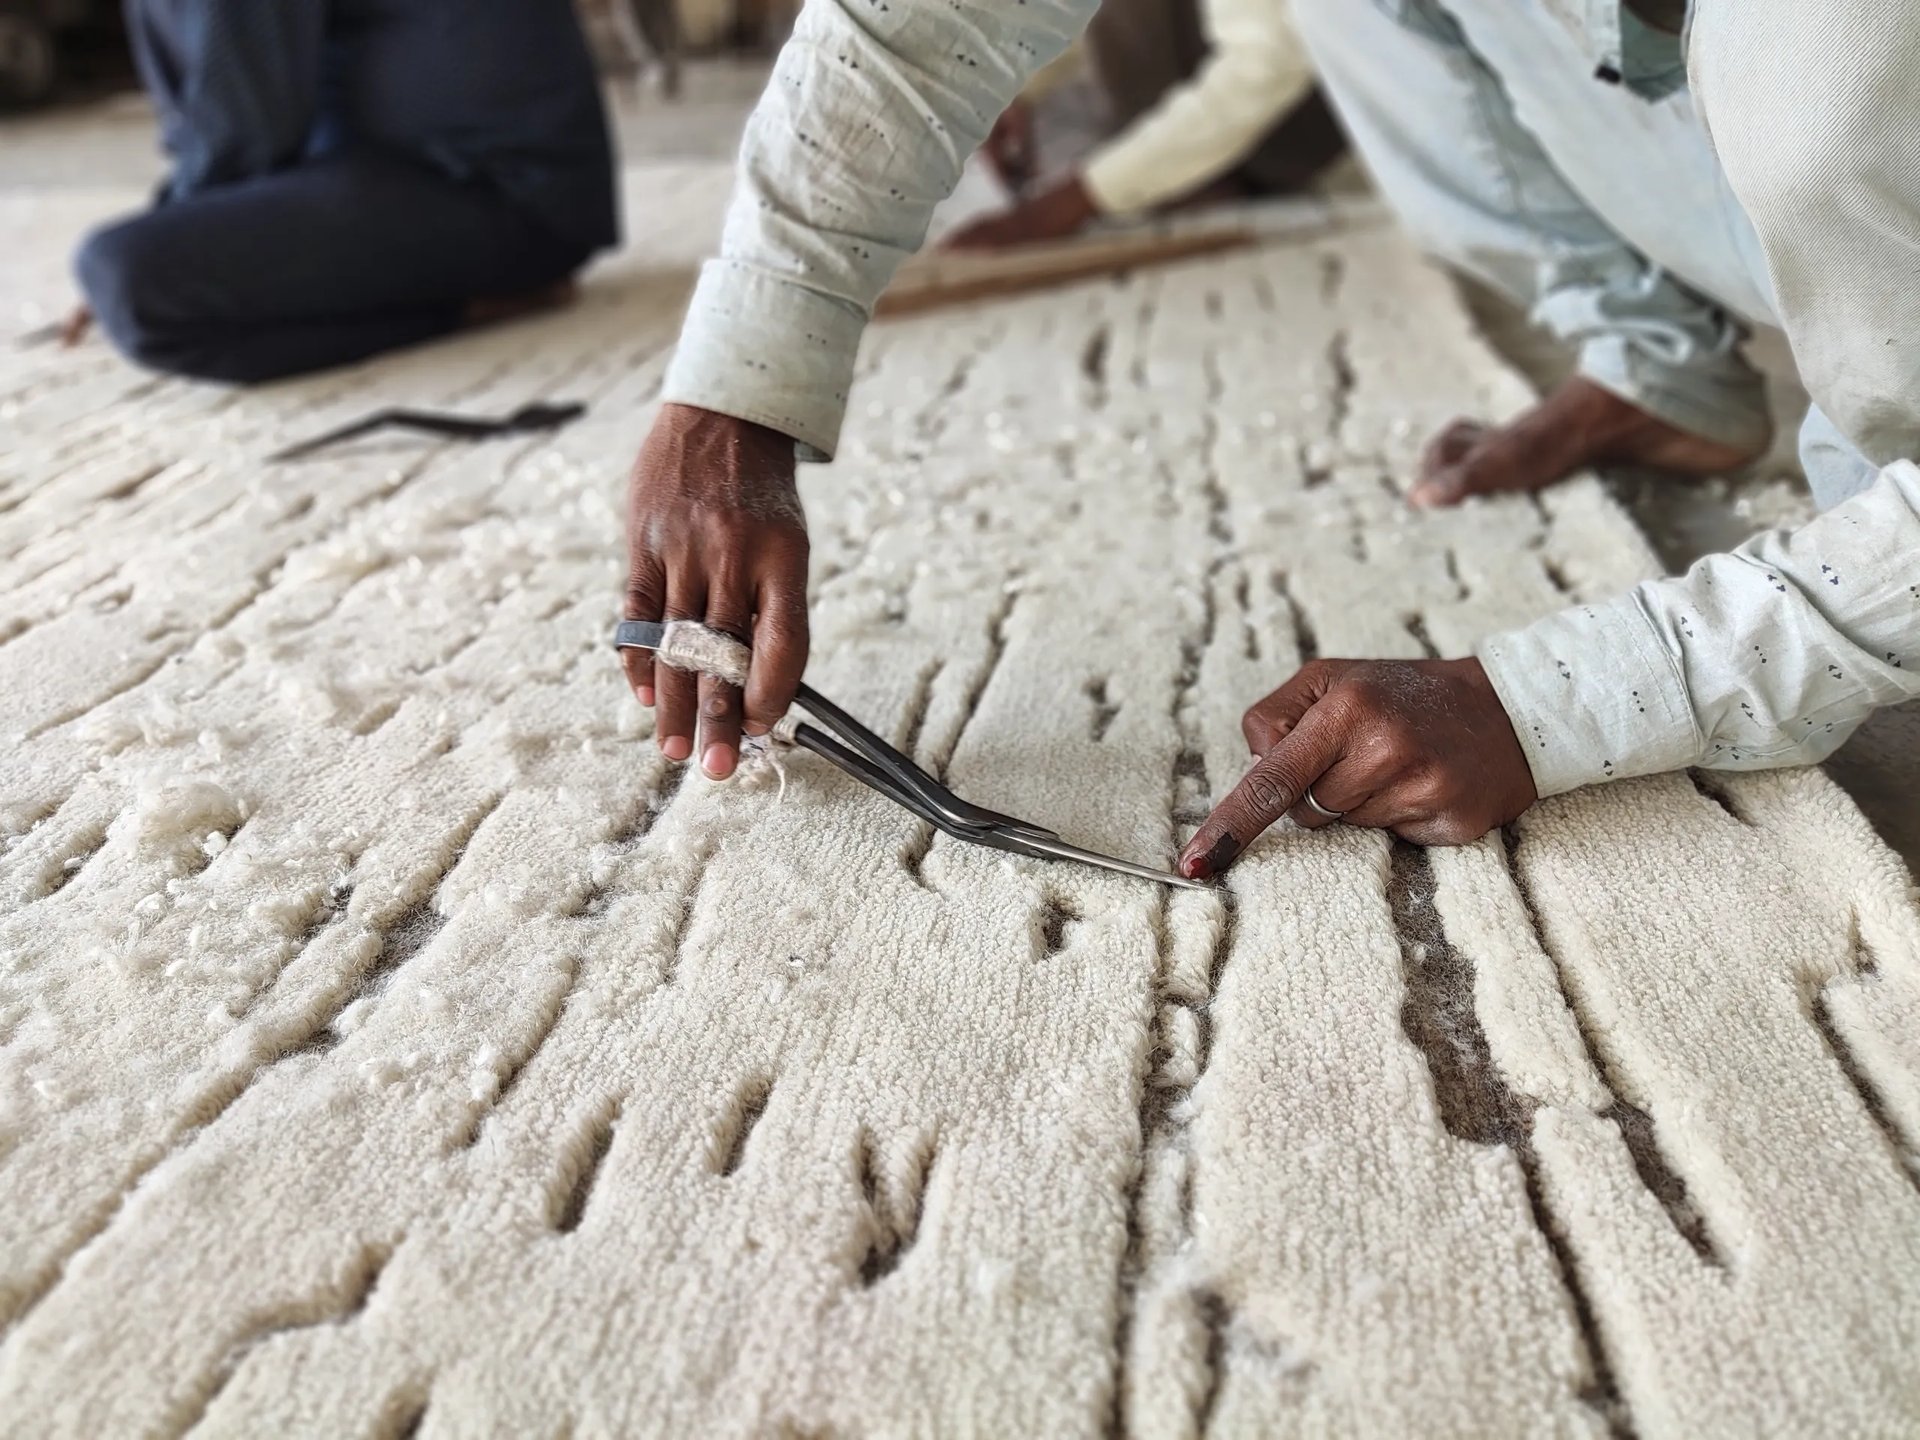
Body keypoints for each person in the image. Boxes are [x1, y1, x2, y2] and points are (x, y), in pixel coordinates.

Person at [619, 0, 1920, 883]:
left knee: (1829, 73)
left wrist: (1571, 699)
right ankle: (1658, 368)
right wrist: (737, 390)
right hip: (1743, 172)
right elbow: (924, 26)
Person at [72, 0, 618, 383]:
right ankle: (479, 294)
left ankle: (473, 305)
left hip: (489, 189)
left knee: (124, 276)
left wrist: (179, 241)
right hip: (502, 181)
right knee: (132, 275)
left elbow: (248, 118)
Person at [945, 0, 1345, 251]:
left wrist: (1072, 203)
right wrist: (1025, 89)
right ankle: (1179, 170)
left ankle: (1213, 174)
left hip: (1308, 117)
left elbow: (1269, 64)